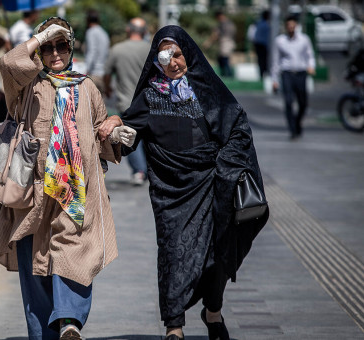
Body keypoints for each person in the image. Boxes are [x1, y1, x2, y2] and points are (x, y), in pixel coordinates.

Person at [99, 25, 269, 340]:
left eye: (177, 54)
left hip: (211, 187)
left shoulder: (209, 89)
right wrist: (114, 126)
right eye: (165, 57)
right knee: (173, 254)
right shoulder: (150, 94)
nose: (173, 62)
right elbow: (129, 131)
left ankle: (213, 311)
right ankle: (174, 325)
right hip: (169, 192)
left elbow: (237, 127)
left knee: (215, 256)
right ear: (155, 60)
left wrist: (226, 166)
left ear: (187, 53)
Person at [0, 17, 135, 340]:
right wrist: (39, 39)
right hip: (32, 190)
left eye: (61, 45)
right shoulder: (26, 86)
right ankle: (43, 335)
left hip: (75, 192)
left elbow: (99, 134)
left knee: (74, 254)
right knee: (35, 263)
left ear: (71, 48)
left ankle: (69, 322)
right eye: (48, 47)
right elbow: (9, 62)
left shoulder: (87, 86)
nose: (55, 53)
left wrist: (115, 128)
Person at [104, 17, 151, 186]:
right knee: (148, 137)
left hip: (127, 102)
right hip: (149, 102)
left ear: (128, 30)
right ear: (144, 31)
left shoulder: (117, 49)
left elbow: (107, 74)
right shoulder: (150, 49)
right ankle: (147, 170)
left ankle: (139, 171)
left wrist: (108, 88)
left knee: (130, 137)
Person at [271, 15, 315, 140]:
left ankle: (297, 122)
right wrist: (274, 80)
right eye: (288, 25)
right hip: (287, 73)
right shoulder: (280, 41)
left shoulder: (304, 39)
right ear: (285, 27)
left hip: (301, 73)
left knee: (303, 103)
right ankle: (293, 130)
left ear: (296, 26)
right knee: (289, 102)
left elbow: (310, 55)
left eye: (293, 25)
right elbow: (276, 61)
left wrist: (311, 66)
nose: (291, 27)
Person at [202, 10, 236, 77]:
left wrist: (208, 43)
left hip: (226, 42)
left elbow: (216, 35)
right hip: (229, 42)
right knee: (222, 59)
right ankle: (227, 75)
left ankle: (228, 75)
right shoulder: (230, 23)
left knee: (224, 59)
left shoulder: (223, 24)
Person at [84, 9, 110, 92]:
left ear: (87, 20)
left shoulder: (91, 32)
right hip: (103, 73)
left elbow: (92, 51)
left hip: (94, 73)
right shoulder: (104, 33)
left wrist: (86, 70)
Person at [253, 10, 271, 79]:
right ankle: (264, 74)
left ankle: (262, 74)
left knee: (260, 60)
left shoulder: (259, 23)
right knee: (265, 60)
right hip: (264, 45)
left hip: (258, 44)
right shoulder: (267, 25)